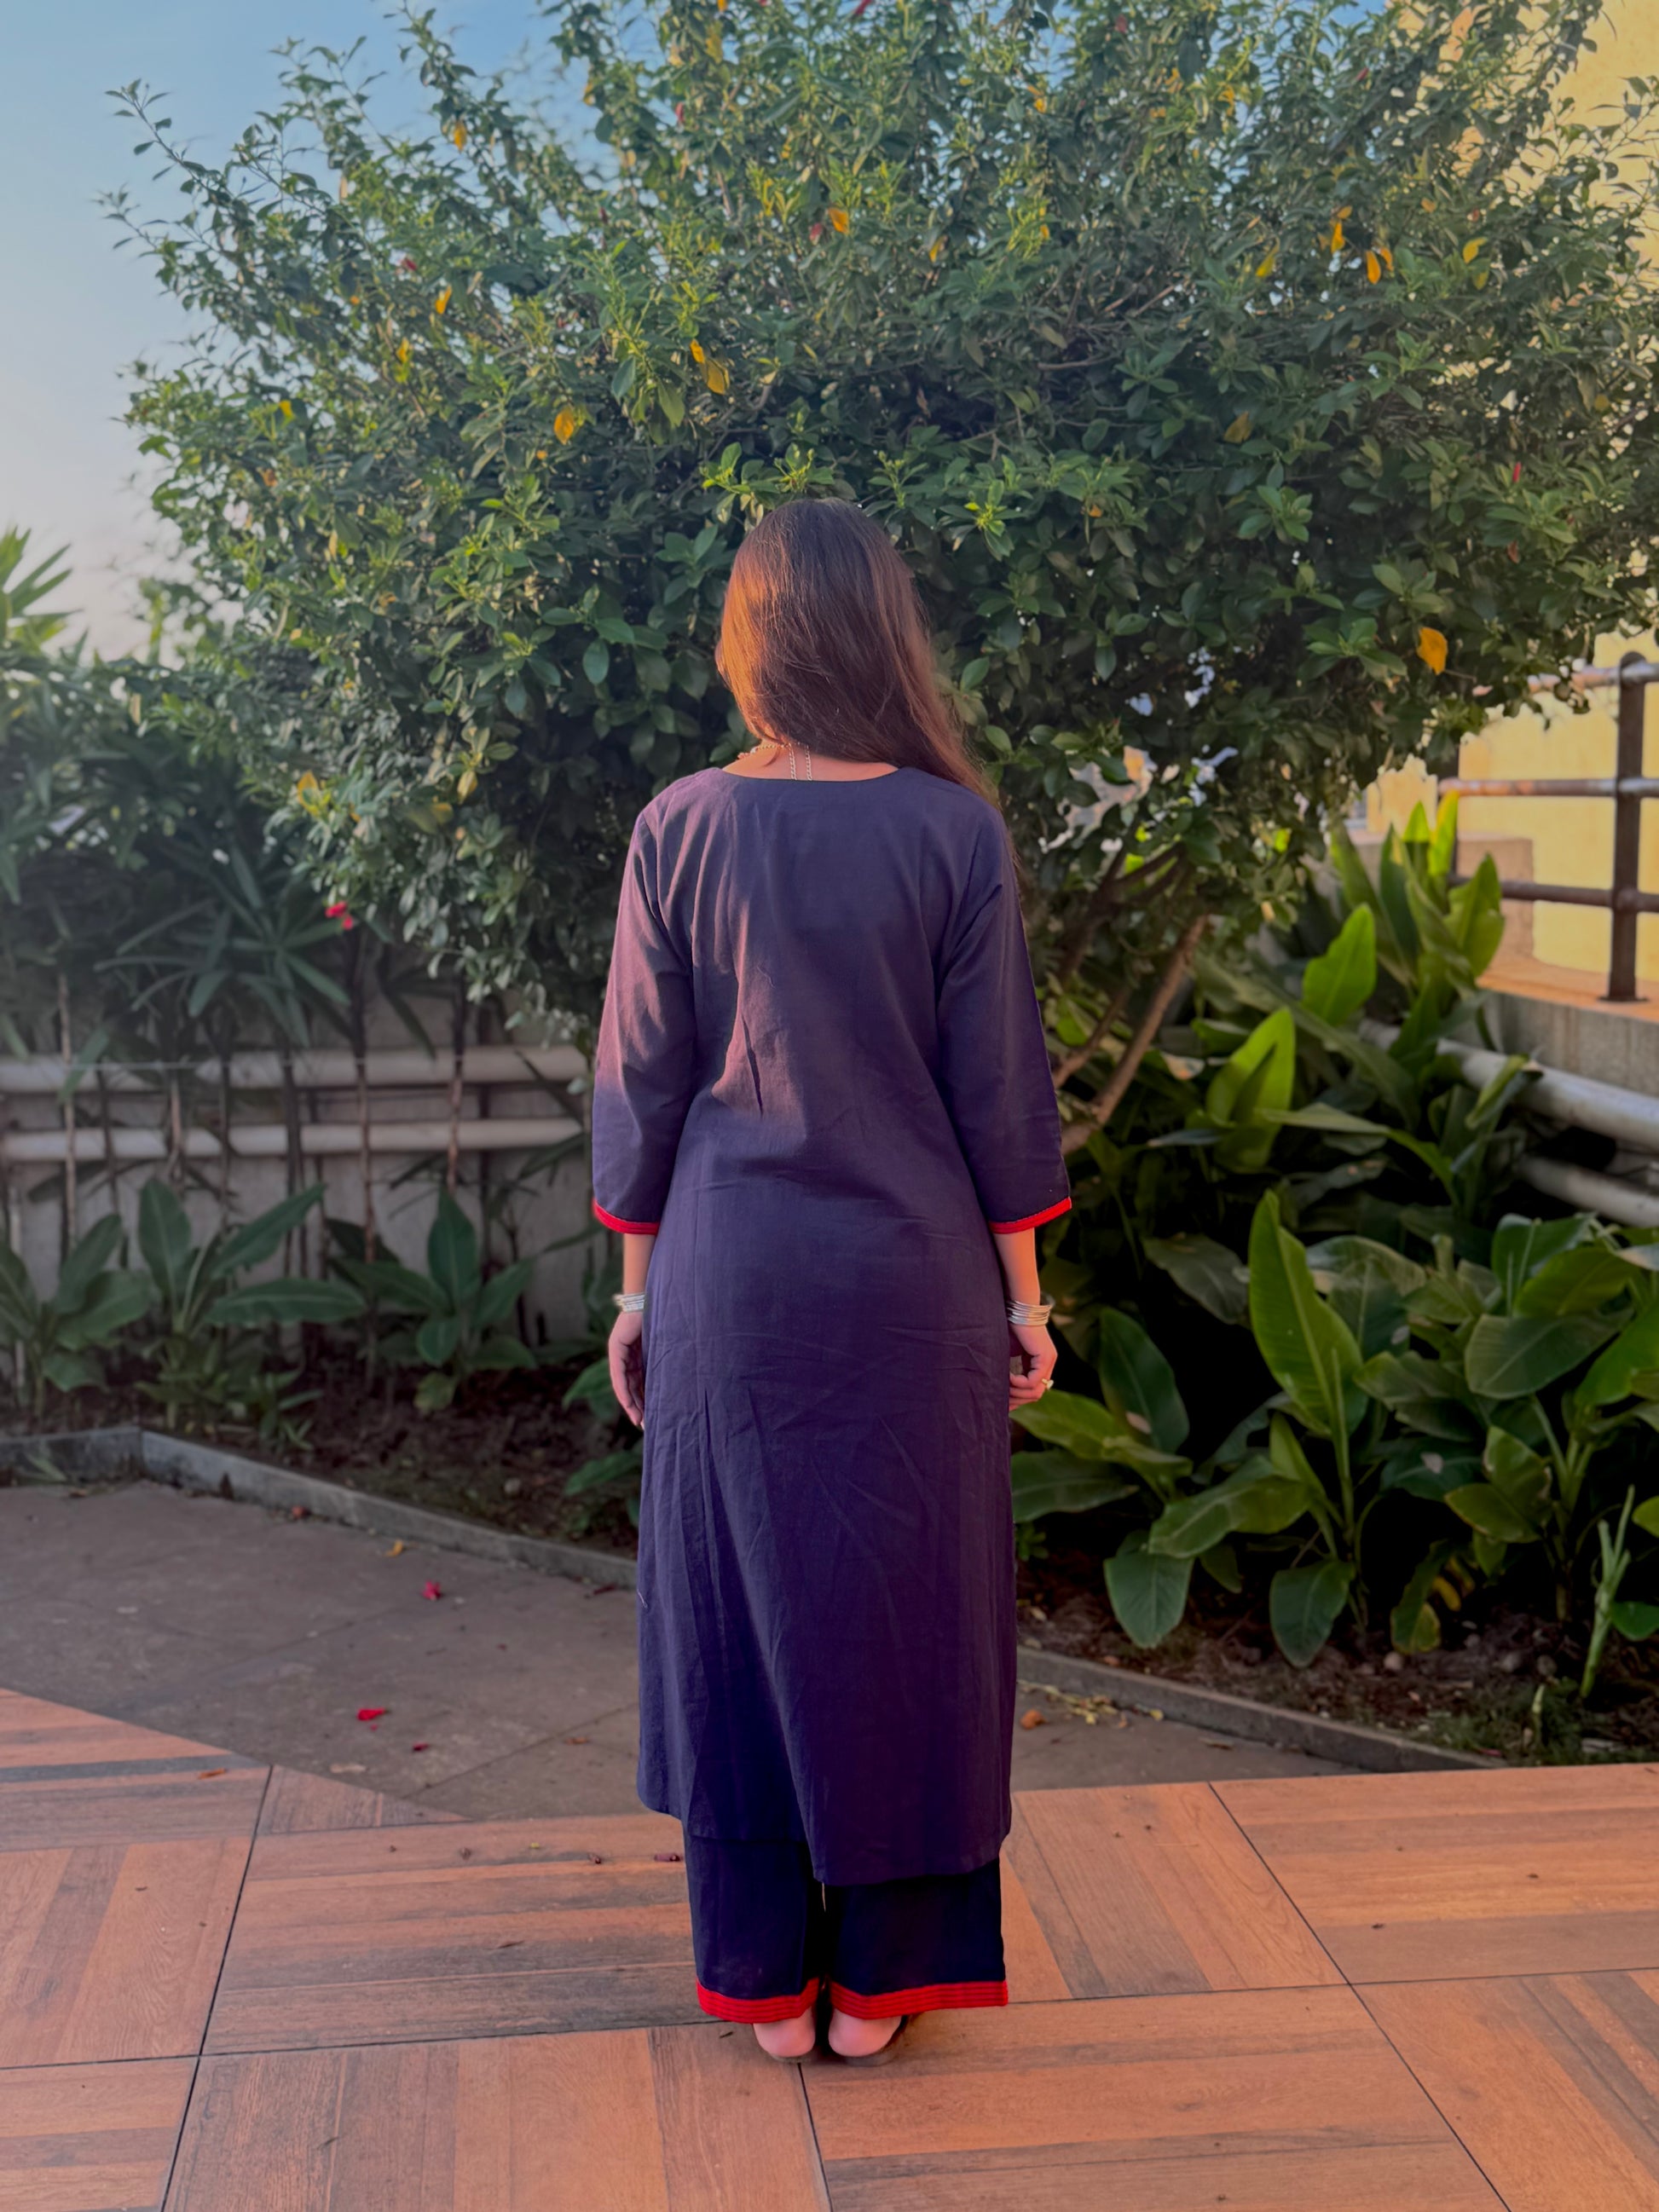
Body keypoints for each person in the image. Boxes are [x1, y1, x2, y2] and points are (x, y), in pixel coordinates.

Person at [592, 497, 1067, 2064]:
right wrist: (1024, 1302)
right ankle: (881, 1984)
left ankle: (761, 1980)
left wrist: (635, 1297)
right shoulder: (952, 833)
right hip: (912, 1285)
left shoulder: (679, 826)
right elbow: (998, 1093)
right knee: (909, 1612)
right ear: (884, 636)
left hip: (729, 1275)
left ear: (748, 641)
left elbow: (642, 1088)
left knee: (731, 1612)